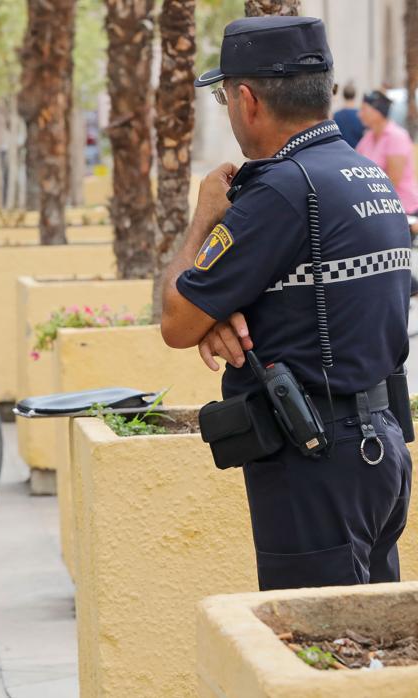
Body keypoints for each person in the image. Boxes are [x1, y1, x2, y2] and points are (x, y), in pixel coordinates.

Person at [161, 16, 412, 591]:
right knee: (365, 652)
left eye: (224, 96)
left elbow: (177, 320)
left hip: (314, 465)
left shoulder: (278, 191)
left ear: (246, 99)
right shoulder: (366, 175)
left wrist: (204, 218)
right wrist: (221, 314)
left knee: (313, 656)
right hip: (379, 450)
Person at [357, 90, 418, 216]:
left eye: (364, 109)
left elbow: (393, 181)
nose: (359, 114)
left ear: (377, 112)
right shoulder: (369, 136)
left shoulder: (396, 137)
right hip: (379, 207)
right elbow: (354, 164)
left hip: (402, 210)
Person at [332, 83, 364, 148]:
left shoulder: (335, 115)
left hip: (341, 152)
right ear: (355, 95)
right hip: (357, 153)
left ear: (343, 95)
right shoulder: (361, 116)